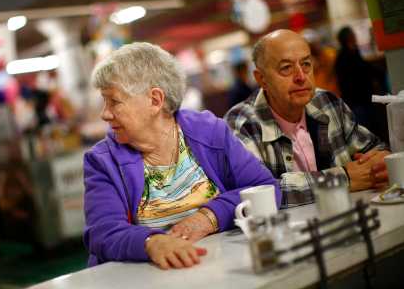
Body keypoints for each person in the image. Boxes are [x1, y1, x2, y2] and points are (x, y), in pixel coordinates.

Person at [83, 42, 280, 269]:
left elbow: (266, 188)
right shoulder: (102, 160)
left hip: (219, 266)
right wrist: (151, 242)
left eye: (114, 101)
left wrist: (209, 217)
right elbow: (102, 233)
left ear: (155, 100)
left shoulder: (210, 131)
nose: (104, 114)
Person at [224, 29, 389, 208]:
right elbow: (258, 192)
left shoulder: (327, 102)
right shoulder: (240, 124)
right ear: (262, 79)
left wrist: (381, 162)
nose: (301, 77)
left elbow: (374, 149)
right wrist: (343, 178)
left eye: (306, 64)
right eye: (286, 68)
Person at [334, 26, 374, 128]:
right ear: (348, 37)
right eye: (353, 34)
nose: (355, 36)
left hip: (362, 97)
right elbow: (346, 81)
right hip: (355, 100)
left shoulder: (354, 51)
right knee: (363, 127)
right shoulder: (343, 57)